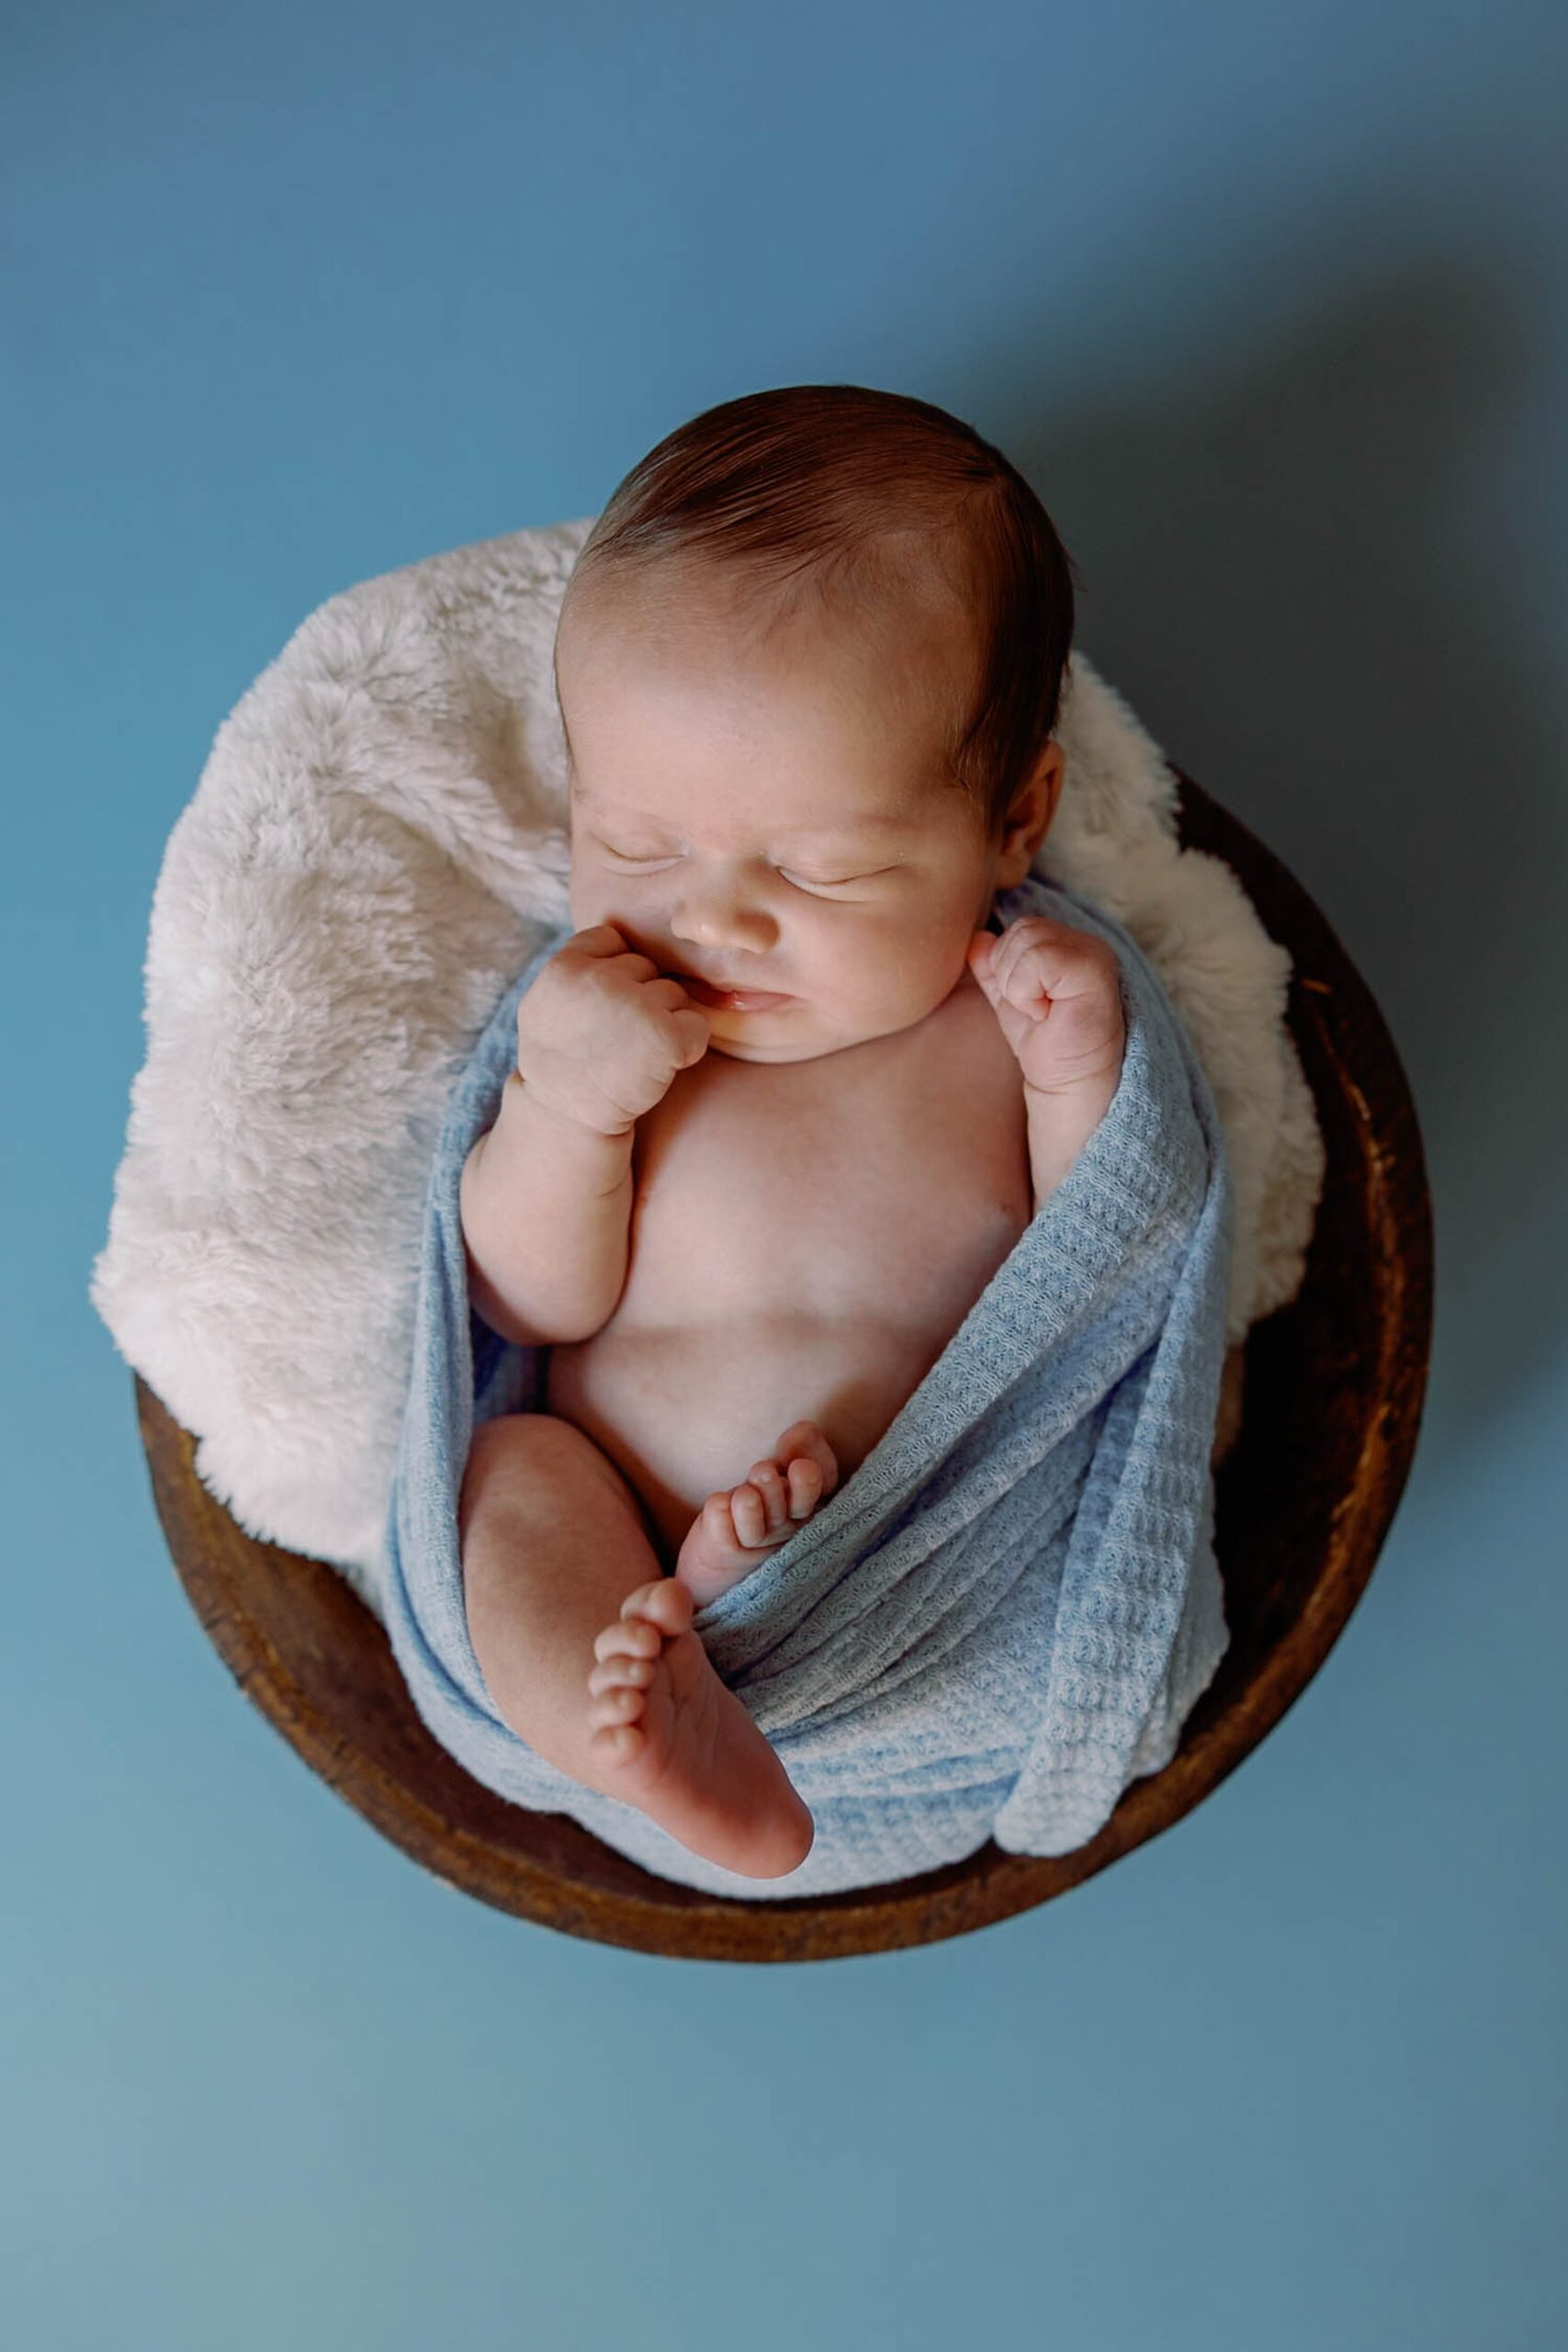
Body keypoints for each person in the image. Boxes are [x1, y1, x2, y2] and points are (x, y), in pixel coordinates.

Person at [455, 384, 1135, 1880]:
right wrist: (565, 1105)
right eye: (638, 844)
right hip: (612, 1518)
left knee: (544, 1488)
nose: (718, 918)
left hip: (909, 1543)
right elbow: (522, 1299)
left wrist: (1081, 1066)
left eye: (824, 872)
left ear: (1013, 822)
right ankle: (617, 1728)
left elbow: (1100, 1272)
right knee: (509, 1477)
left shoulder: (993, 1019)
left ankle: (739, 1641)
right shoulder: (609, 1028)